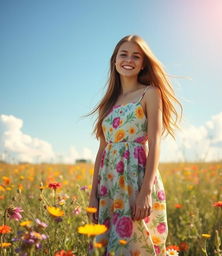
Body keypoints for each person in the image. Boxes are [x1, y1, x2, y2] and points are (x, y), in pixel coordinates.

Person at [85, 34, 183, 256]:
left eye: (136, 56)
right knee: (107, 246)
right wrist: (93, 195)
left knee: (138, 245)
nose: (129, 59)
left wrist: (146, 191)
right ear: (115, 60)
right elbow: (102, 151)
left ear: (142, 64)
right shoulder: (107, 104)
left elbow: (156, 140)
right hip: (108, 184)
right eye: (124, 54)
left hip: (137, 179)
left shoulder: (150, 93)